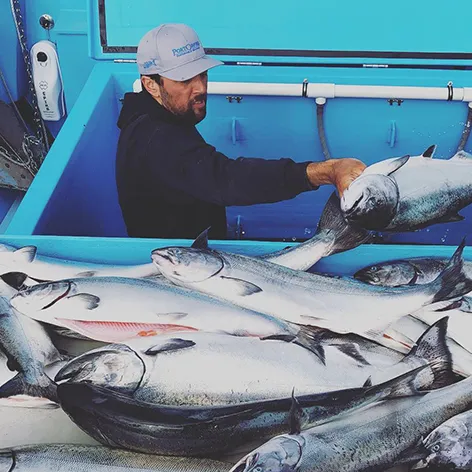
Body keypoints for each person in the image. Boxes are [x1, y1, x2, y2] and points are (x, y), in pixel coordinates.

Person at [115, 23, 366, 240]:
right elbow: (225, 179)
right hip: (177, 266)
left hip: (195, 250)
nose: (200, 87)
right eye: (185, 80)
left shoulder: (153, 117)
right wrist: (324, 172)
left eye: (202, 74)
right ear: (151, 85)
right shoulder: (156, 138)